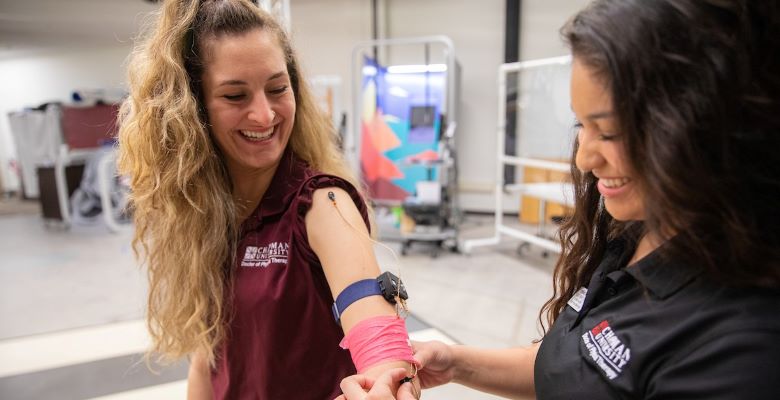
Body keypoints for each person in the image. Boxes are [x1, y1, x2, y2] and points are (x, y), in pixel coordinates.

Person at [339, 0, 780, 398]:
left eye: (608, 132)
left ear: (704, 125)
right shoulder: (635, 230)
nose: (586, 159)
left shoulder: (742, 352)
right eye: (581, 127)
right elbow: (579, 369)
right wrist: (455, 362)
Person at [116, 0, 418, 398]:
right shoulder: (204, 214)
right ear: (193, 108)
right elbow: (209, 359)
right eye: (235, 96)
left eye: (277, 89)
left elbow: (371, 320)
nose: (264, 115)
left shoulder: (322, 203)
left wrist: (388, 378)